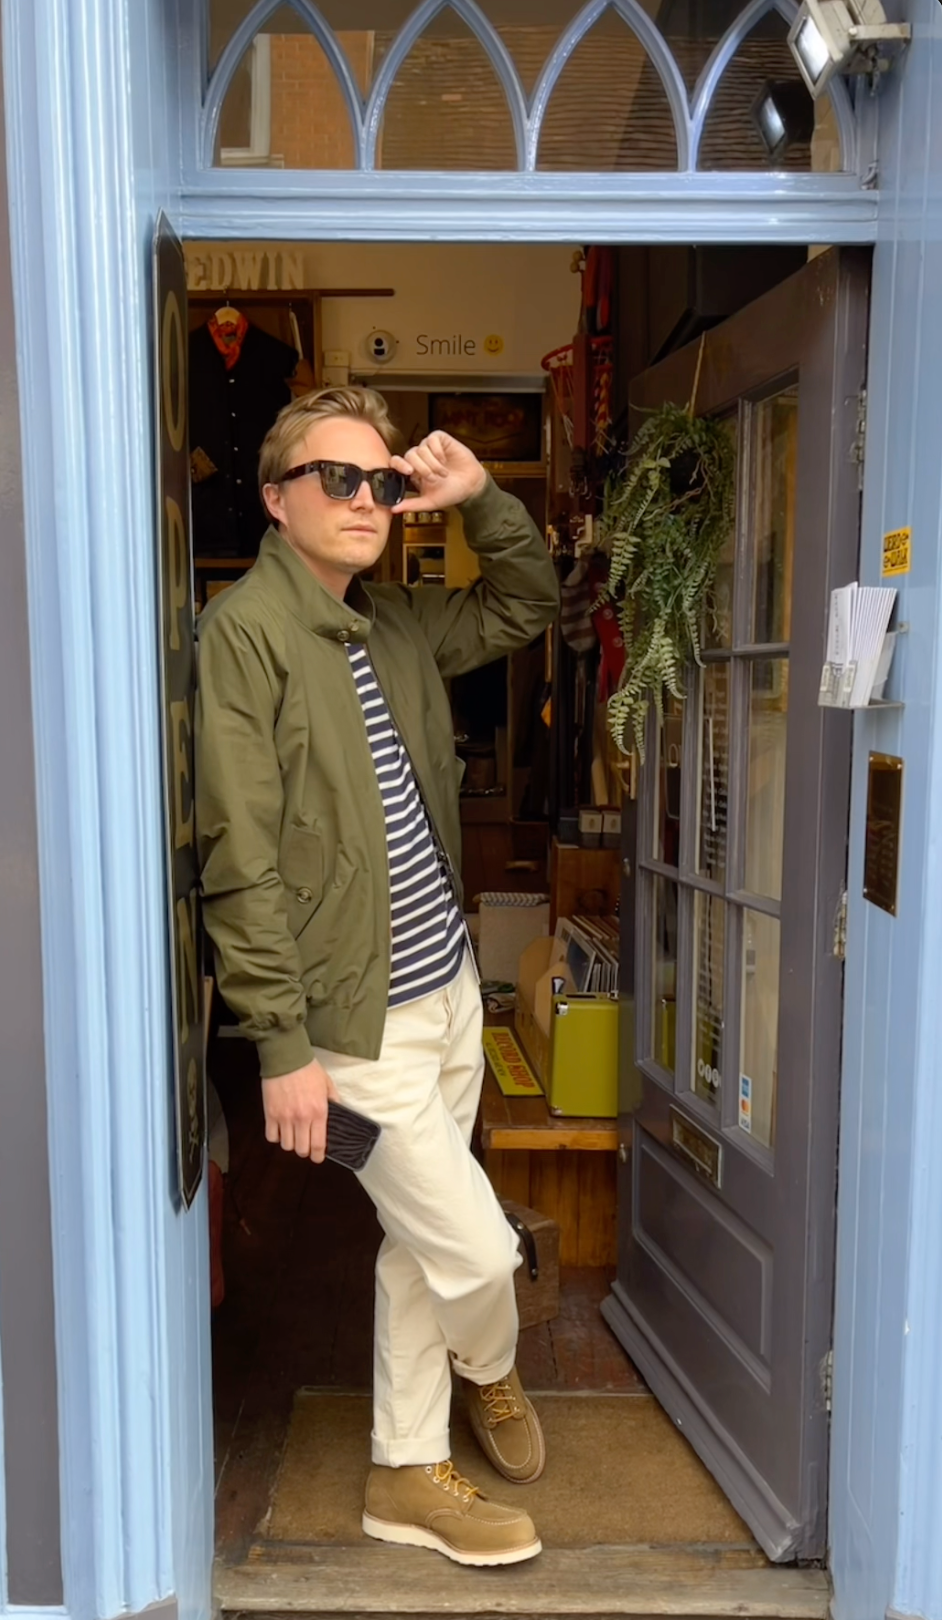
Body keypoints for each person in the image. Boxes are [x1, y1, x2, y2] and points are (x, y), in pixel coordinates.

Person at [195, 385, 560, 1567]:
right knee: (476, 1249)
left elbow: (529, 599)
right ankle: (491, 1366)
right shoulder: (243, 634)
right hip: (354, 1030)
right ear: (274, 498)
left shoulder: (395, 619)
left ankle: (405, 1471)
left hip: (448, 990)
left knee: (416, 1243)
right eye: (337, 480)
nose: (366, 501)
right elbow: (237, 857)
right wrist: (280, 1047)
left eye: (384, 482)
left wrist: (480, 496)